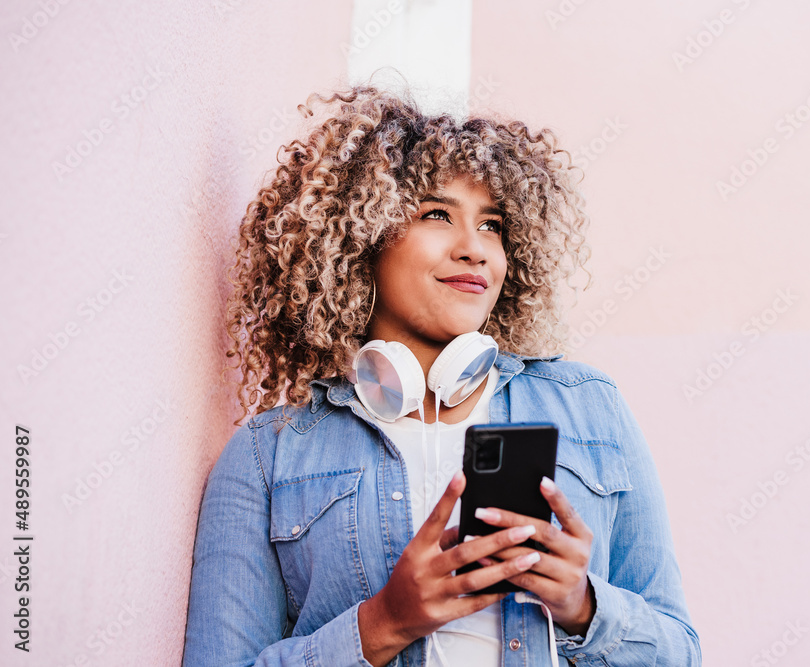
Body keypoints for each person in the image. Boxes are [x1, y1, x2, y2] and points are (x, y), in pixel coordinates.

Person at [183, 83, 701, 667]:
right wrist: (385, 622)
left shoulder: (588, 408)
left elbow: (679, 652)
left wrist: (584, 607)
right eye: (437, 215)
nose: (476, 249)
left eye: (493, 225)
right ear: (362, 237)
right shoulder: (266, 457)